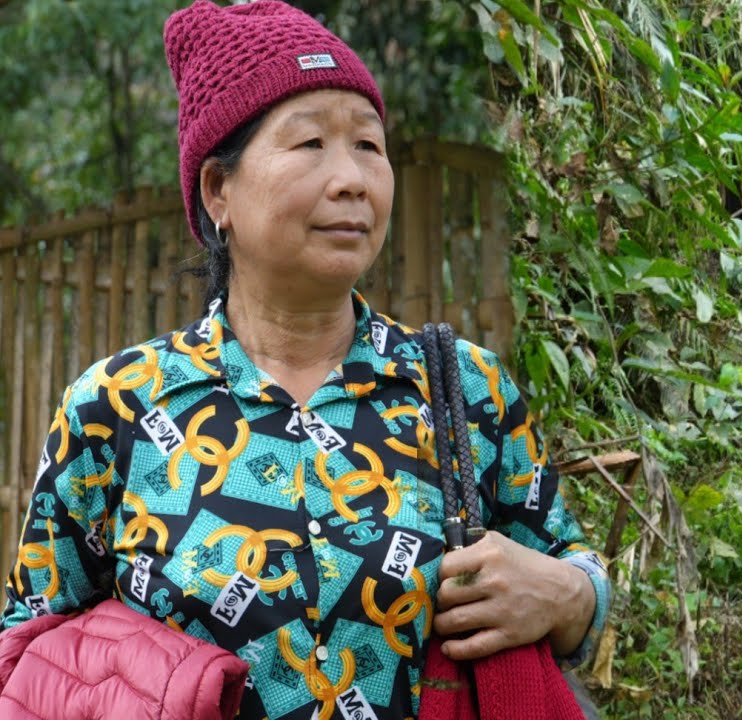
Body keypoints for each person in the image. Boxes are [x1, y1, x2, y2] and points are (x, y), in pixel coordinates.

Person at [0, 3, 610, 719]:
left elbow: (568, 570)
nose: (352, 178)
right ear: (218, 190)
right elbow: (31, 648)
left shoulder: (464, 388)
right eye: (311, 143)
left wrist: (574, 595)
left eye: (369, 145)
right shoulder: (119, 406)